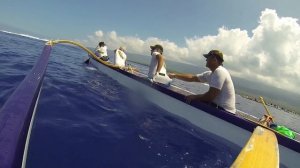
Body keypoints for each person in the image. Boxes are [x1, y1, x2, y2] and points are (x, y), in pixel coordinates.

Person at [168, 50, 236, 114]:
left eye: (207, 58)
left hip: (224, 111)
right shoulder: (210, 74)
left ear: (214, 59)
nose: (206, 60)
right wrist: (175, 75)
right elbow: (193, 78)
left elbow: (210, 96)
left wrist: (194, 97)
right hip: (217, 107)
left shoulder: (220, 71)